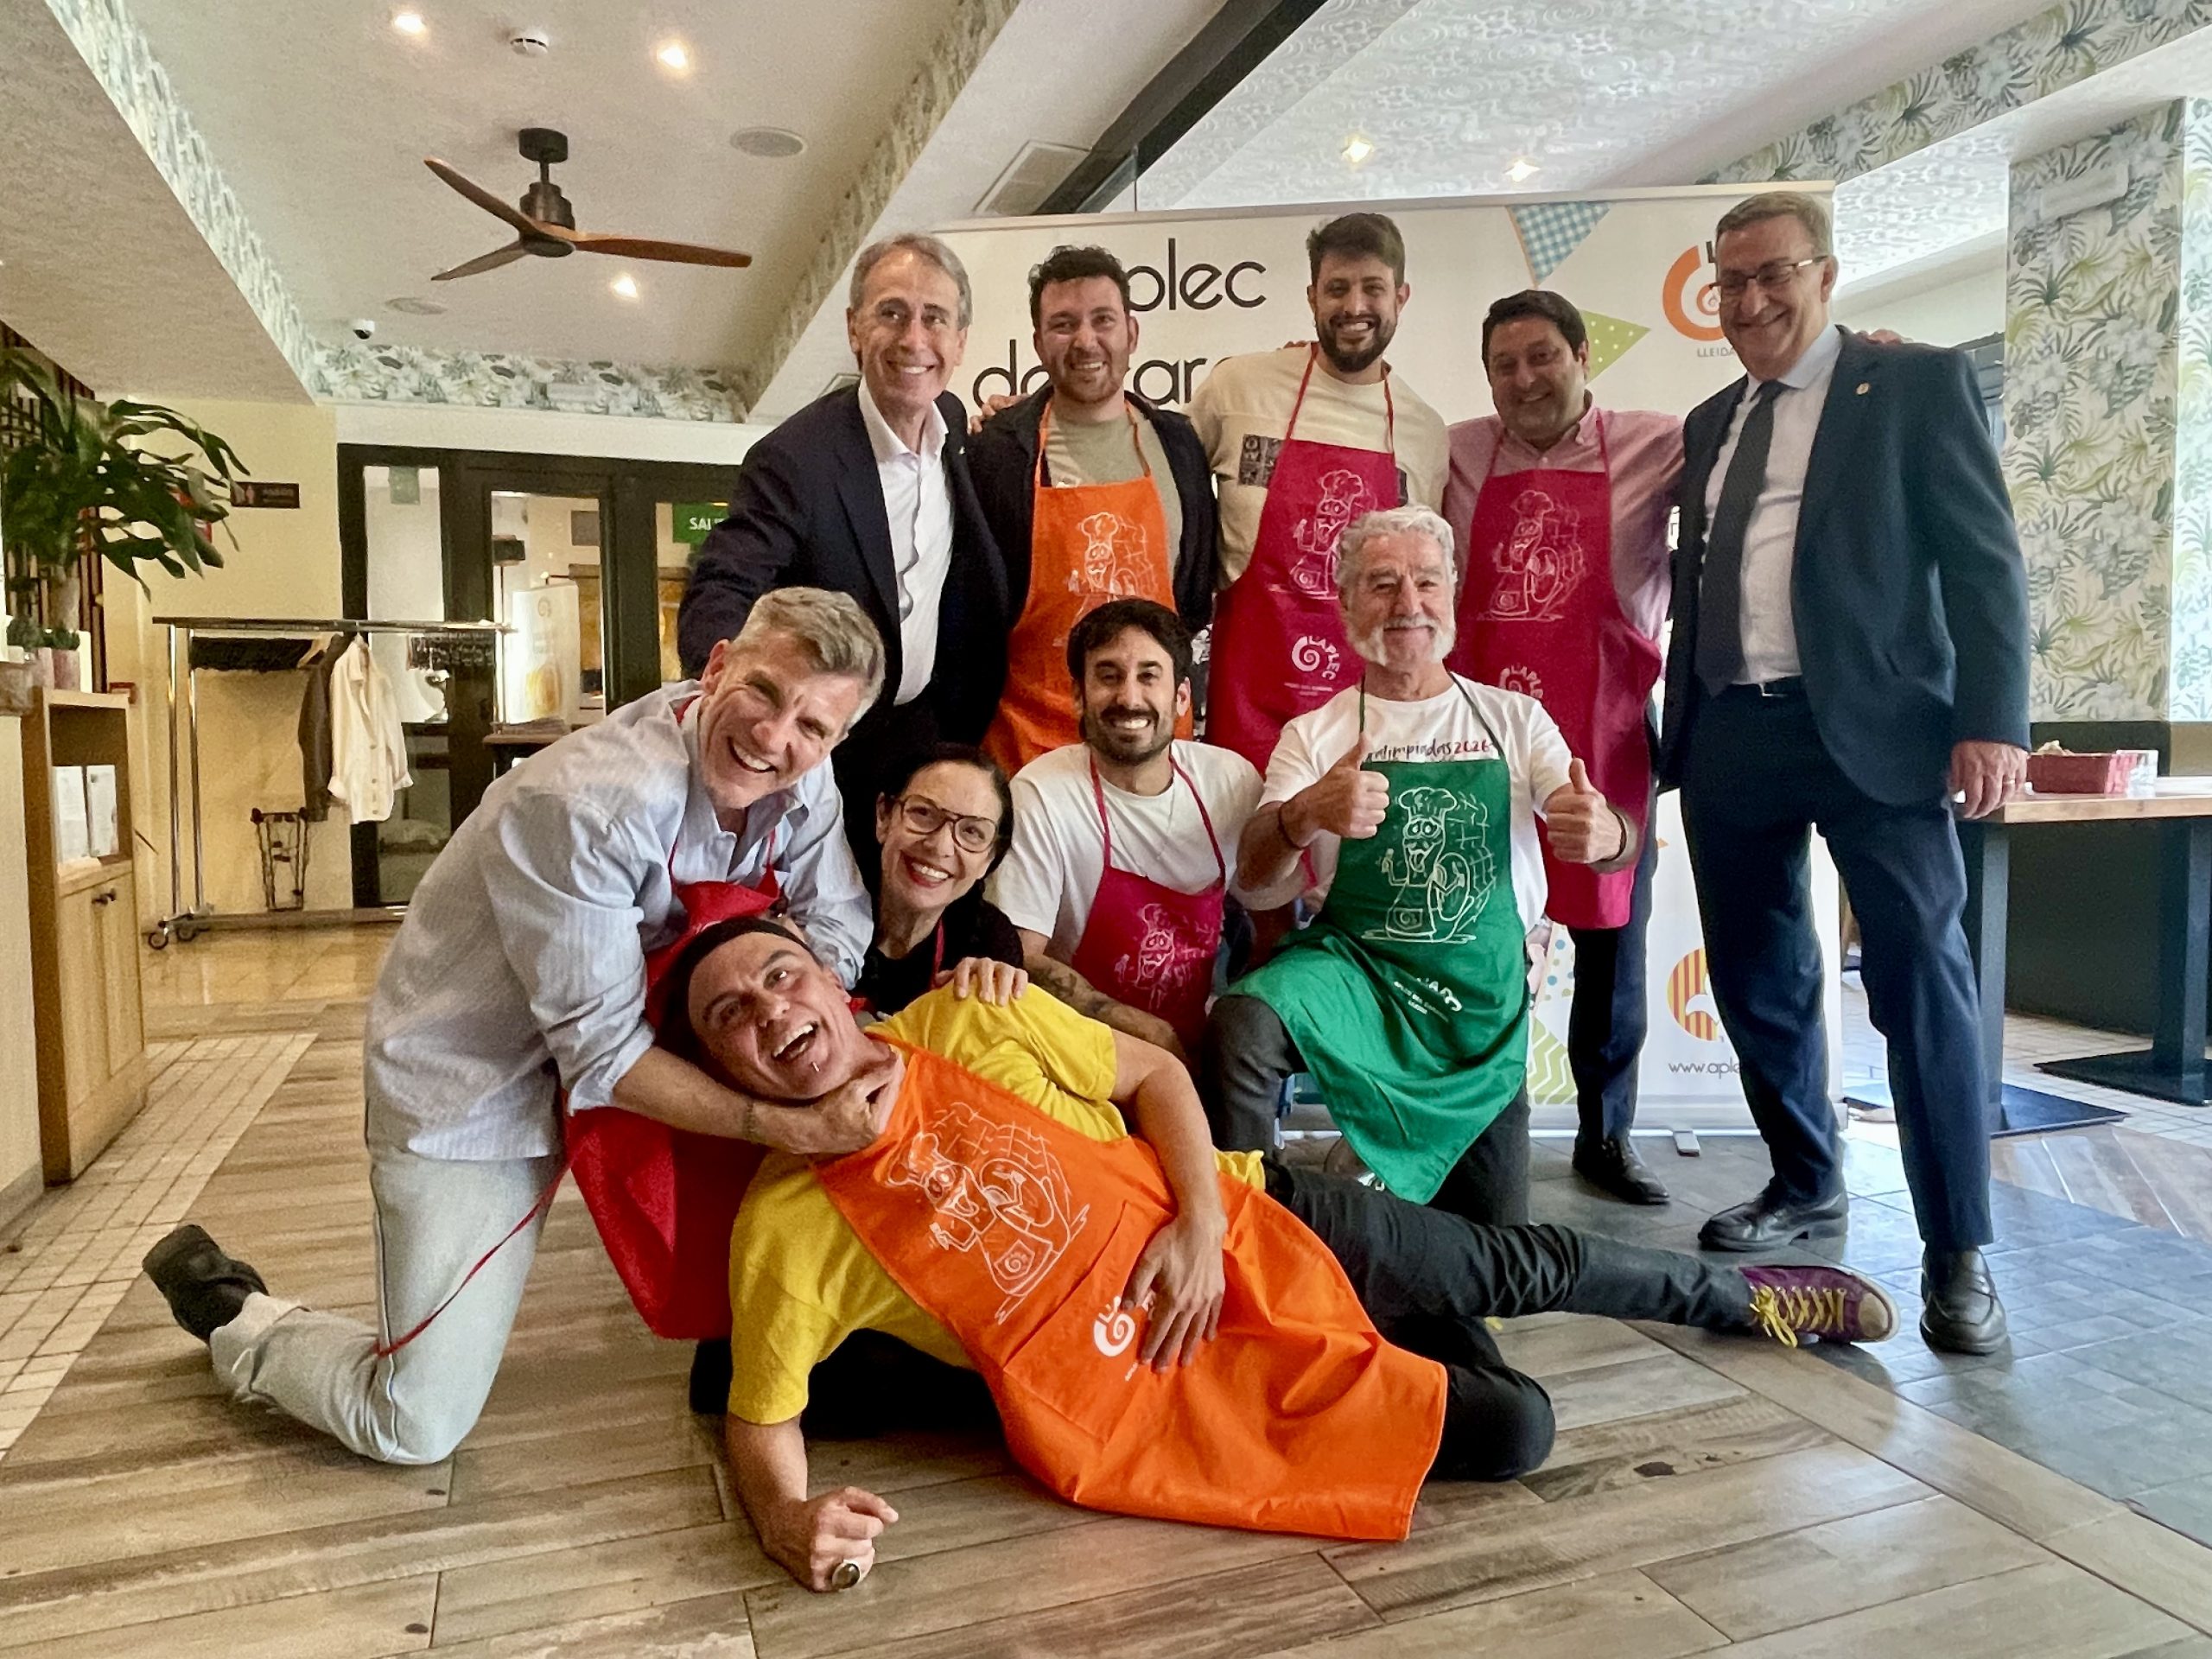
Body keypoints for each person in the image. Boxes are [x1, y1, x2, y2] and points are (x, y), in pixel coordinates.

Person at [664, 919, 1895, 1591]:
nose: (773, 1012)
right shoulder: (784, 1227)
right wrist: (782, 1521)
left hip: (1260, 1217)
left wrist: (1200, 1226)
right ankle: (1404, 1316)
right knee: (1517, 1429)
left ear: (829, 980)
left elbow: (1155, 1078)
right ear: (721, 1075)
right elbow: (760, 1415)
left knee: (1512, 1265)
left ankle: (1737, 1299)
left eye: (782, 976)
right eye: (733, 1016)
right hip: (1172, 1385)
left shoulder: (968, 1015)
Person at [139, 590, 895, 1465]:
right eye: (763, 692)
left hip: (638, 1058)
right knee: (414, 1423)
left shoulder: (803, 774)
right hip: (480, 1088)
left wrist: (796, 1005)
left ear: (836, 739)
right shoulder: (588, 804)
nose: (773, 735)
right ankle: (236, 1316)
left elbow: (838, 928)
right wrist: (784, 1120)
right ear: (717, 666)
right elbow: (605, 1058)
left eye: (812, 725)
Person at [1658, 191, 2031, 1355]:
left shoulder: (1913, 385)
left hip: (1880, 732)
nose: (1751, 300)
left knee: (1922, 980)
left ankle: (1957, 1251)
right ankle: (1805, 1180)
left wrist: (1993, 721)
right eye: (1731, 281)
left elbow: (1987, 564)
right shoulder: (1710, 421)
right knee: (1756, 976)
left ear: (1823, 275)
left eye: (1773, 273)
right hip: (1733, 727)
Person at [1204, 505, 1639, 1227]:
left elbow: (1612, 836)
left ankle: (1370, 1167)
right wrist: (1305, 812)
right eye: (1382, 584)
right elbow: (1253, 878)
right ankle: (1254, 1228)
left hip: (1479, 1000)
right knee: (1242, 1025)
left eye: (1427, 582)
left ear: (1452, 594)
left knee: (1496, 1250)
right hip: (1358, 977)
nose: (1409, 602)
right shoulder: (1316, 733)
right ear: (1346, 603)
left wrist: (1605, 832)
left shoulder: (1514, 720)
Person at [1443, 289, 1683, 1207]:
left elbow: (1766, 447)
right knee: (1476, 930)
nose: (1524, 379)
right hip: (1483, 731)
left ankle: (1605, 1133)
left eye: (1542, 356)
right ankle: (1464, 1123)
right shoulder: (1454, 450)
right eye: (1503, 365)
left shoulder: (1660, 441)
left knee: (1611, 939)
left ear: (1584, 355)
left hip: (1605, 728)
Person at [677, 232, 1008, 861]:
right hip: (821, 755)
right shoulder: (796, 459)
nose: (914, 339)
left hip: (930, 740)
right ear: (855, 328)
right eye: (892, 313)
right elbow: (723, 584)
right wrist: (733, 696)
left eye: (934, 318)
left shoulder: (954, 427)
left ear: (961, 341)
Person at [1187, 212, 1450, 772]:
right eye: (1337, 289)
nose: (1354, 306)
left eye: (1373, 288)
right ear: (1311, 297)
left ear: (1401, 297)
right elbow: (1159, 464)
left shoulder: (1424, 431)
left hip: (1367, 723)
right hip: (1246, 706)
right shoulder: (1239, 388)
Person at [967, 245, 1218, 772]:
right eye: (1063, 324)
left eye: (1102, 320)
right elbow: (974, 609)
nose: (1085, 341)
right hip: (1030, 750)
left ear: (1132, 333)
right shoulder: (999, 452)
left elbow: (1192, 600)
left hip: (1153, 748)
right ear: (1039, 343)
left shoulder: (1178, 445)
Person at [989, 599, 1262, 1060]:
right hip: (1077, 1045)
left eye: (1148, 676)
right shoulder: (1041, 794)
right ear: (1079, 696)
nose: (1129, 699)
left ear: (1181, 697)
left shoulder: (1228, 781)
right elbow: (1021, 960)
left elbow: (1271, 915)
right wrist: (1145, 1031)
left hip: (1199, 1040)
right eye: (1109, 676)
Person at [854, 743, 1027, 1018]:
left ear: (989, 859)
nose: (940, 846)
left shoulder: (989, 943)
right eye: (923, 813)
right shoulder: (821, 906)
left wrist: (990, 1004)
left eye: (972, 831)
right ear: (884, 816)